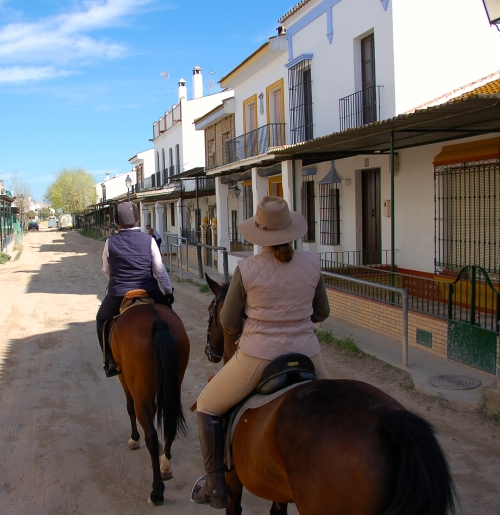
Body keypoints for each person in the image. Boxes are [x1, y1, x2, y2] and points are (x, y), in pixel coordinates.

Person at [191, 196, 331, 509]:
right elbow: (321, 312)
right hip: (308, 353)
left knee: (207, 405)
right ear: (291, 231)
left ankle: (215, 485)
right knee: (335, 405)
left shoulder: (248, 268)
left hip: (258, 356)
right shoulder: (312, 263)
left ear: (260, 234)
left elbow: (227, 321)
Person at [97, 202, 174, 377]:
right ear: (138, 219)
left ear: (116, 222)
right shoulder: (150, 240)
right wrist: (168, 291)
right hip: (149, 289)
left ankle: (109, 360)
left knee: (101, 319)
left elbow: (106, 270)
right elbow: (160, 270)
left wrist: (116, 282)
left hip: (119, 292)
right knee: (170, 315)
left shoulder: (110, 242)